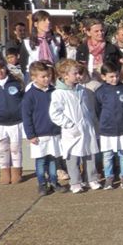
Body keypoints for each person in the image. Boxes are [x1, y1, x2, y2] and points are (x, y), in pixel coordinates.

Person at [50, 58, 100, 193]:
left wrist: (91, 122)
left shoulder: (81, 90)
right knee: (72, 157)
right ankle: (75, 182)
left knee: (90, 154)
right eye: (75, 73)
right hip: (72, 130)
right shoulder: (58, 93)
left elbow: (87, 108)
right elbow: (55, 113)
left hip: (86, 127)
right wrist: (69, 125)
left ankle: (91, 178)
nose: (78, 76)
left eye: (79, 73)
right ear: (65, 75)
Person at [21, 62, 63, 195]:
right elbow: (26, 116)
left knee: (53, 159)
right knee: (41, 161)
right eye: (43, 77)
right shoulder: (30, 95)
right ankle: (42, 184)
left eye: (48, 76)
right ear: (34, 78)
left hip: (53, 132)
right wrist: (31, 134)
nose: (46, 79)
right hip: (39, 134)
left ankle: (54, 181)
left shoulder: (54, 91)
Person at [94, 61, 123, 190]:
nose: (114, 79)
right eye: (111, 76)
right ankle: (109, 177)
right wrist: (104, 121)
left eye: (116, 76)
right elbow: (98, 110)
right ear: (103, 77)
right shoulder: (100, 91)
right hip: (107, 129)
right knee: (107, 155)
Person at [75, 18, 120, 83]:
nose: (100, 33)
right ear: (88, 33)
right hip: (87, 83)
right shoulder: (82, 49)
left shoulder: (112, 49)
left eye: (102, 30)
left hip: (107, 83)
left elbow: (117, 68)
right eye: (96, 31)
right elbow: (78, 68)